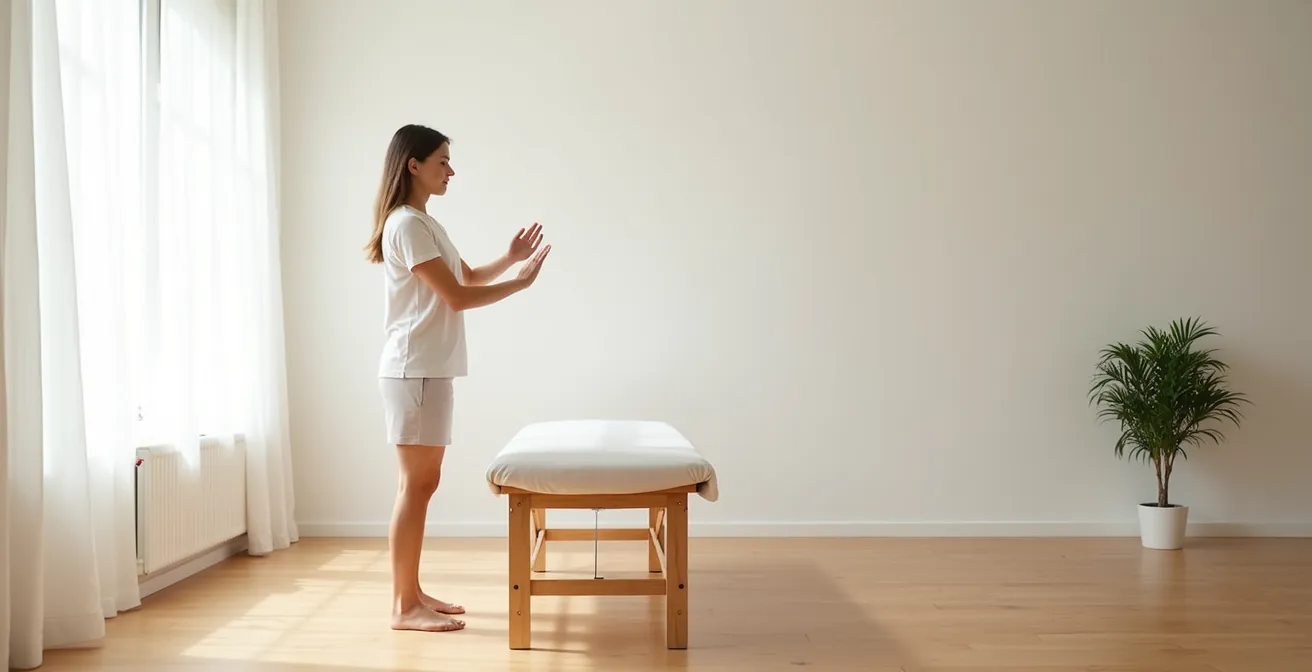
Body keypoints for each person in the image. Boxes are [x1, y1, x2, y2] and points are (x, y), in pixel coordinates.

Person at [365, 124, 550, 633]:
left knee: (424, 484)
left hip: (429, 370)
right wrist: (519, 285)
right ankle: (404, 607)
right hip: (413, 369)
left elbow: (466, 278)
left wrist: (509, 260)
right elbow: (458, 299)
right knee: (415, 486)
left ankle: (412, 591)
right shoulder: (406, 225)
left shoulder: (425, 224)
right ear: (414, 165)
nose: (451, 170)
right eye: (443, 161)